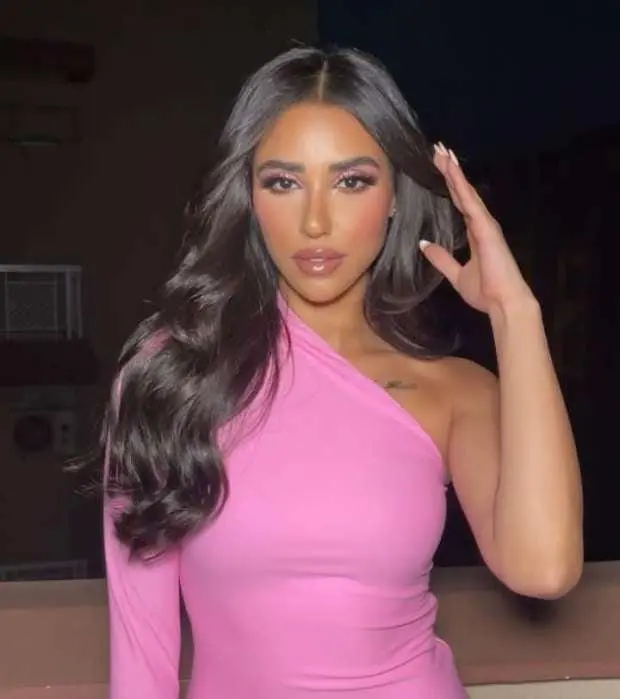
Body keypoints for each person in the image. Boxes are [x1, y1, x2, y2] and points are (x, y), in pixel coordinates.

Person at [102, 47, 583, 699]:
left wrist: (515, 313)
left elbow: (544, 568)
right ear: (248, 196)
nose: (316, 222)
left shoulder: (453, 391)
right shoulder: (173, 375)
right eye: (283, 182)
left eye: (351, 181)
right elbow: (142, 652)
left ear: (395, 196)